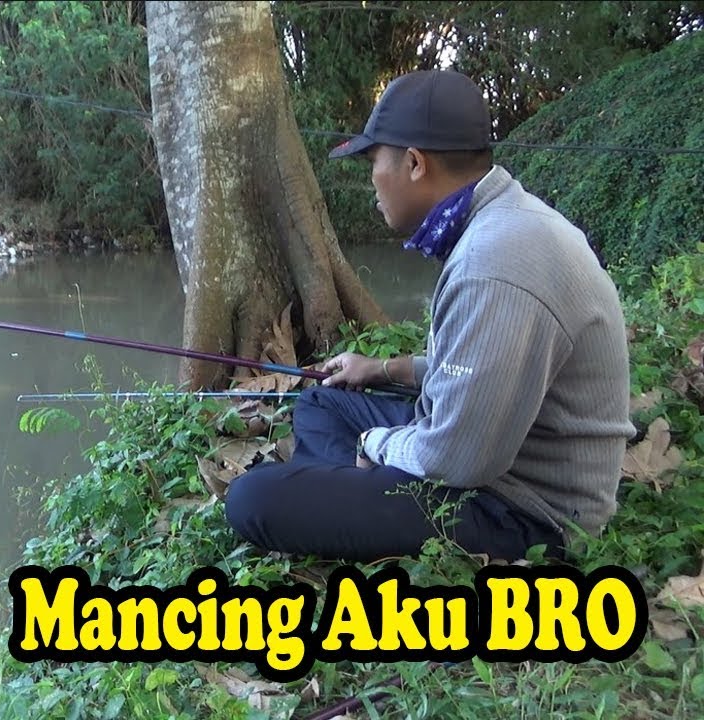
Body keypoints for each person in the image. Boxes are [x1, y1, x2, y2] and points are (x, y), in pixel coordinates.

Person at [224, 69, 636, 563]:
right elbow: (479, 370)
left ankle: (347, 492)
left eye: (373, 162)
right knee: (321, 404)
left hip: (527, 510)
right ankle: (348, 494)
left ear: (415, 163)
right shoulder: (498, 223)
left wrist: (376, 443)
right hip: (492, 454)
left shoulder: (495, 263)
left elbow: (458, 458)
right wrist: (380, 369)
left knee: (252, 499)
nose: (372, 182)